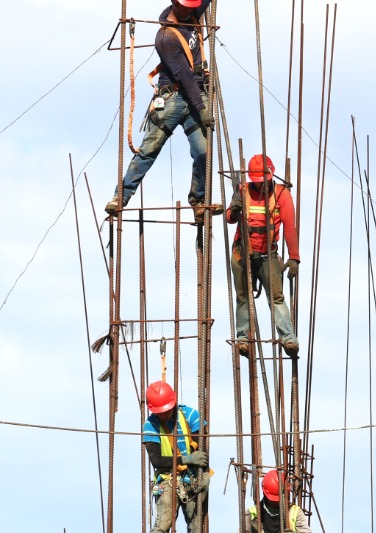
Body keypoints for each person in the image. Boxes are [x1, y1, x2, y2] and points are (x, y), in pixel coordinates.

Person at [105, 0, 216, 217]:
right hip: (174, 97)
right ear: (175, 4)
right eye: (185, 7)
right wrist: (202, 110)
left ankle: (198, 200)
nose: (189, 10)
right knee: (149, 150)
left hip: (196, 94)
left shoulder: (192, 13)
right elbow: (184, 76)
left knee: (203, 151)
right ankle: (121, 196)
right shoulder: (165, 37)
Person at [133, 381, 207, 533]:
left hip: (191, 481)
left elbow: (202, 449)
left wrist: (205, 472)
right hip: (167, 481)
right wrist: (187, 459)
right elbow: (157, 461)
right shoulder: (150, 426)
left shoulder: (191, 416)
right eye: (160, 412)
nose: (164, 415)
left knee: (198, 531)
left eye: (166, 411)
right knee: (163, 525)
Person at [226, 154, 301, 357]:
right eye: (257, 182)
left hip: (268, 256)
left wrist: (294, 257)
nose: (261, 186)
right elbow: (229, 219)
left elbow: (290, 227)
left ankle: (288, 338)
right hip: (242, 253)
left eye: (264, 181)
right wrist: (234, 209)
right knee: (243, 297)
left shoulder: (281, 194)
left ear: (271, 176)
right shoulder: (243, 190)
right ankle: (243, 338)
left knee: (276, 297)